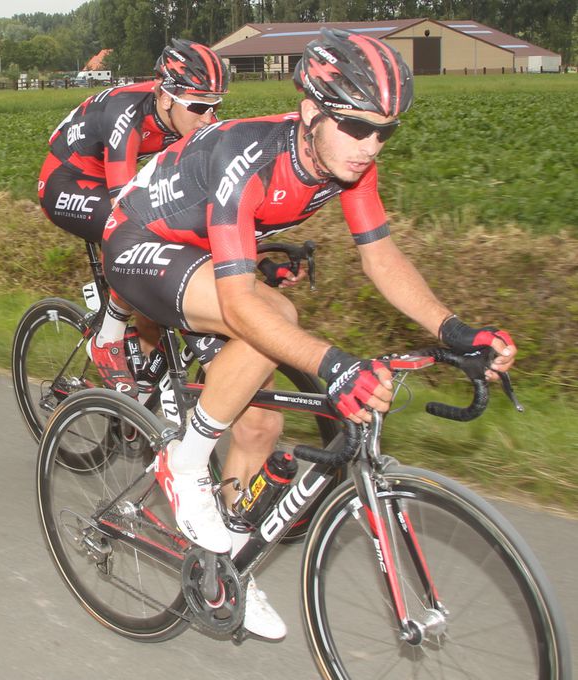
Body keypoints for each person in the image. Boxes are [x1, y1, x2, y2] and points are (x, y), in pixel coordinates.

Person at [101, 28, 516, 639]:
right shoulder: (248, 157)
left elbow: (381, 257)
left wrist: (454, 331)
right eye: (356, 127)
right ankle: (181, 461)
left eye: (385, 131)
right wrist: (336, 366)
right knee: (276, 318)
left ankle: (225, 573)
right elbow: (243, 306)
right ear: (310, 113)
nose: (371, 145)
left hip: (202, 257)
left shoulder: (347, 167)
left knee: (262, 423)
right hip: (140, 241)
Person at [37, 39, 228, 394]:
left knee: (168, 253)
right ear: (167, 97)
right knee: (135, 236)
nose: (209, 118)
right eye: (200, 106)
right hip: (66, 181)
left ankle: (136, 380)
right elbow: (125, 209)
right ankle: (107, 337)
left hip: (103, 175)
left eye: (215, 106)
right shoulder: (126, 113)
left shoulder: (184, 115)